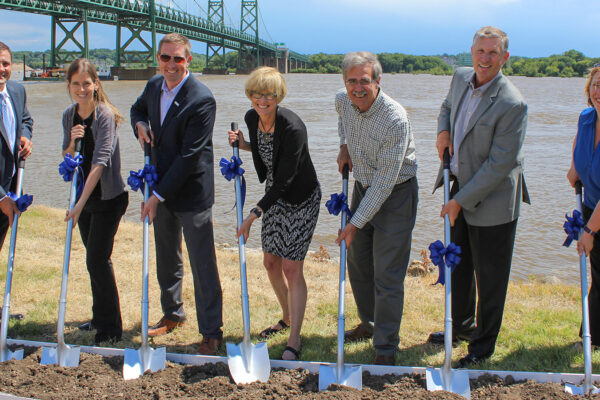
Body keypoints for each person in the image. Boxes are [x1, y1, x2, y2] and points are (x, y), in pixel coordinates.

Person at [428, 26, 529, 367]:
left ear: (505, 57)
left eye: (493, 53)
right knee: (459, 265)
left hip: (495, 200)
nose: (485, 59)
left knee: (490, 277)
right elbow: (446, 106)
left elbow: (499, 165)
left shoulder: (513, 103)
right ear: (471, 51)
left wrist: (458, 201)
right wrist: (443, 130)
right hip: (459, 185)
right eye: (480, 51)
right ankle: (461, 326)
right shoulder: (459, 78)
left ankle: (482, 347)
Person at [130, 33, 223, 355]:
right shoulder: (153, 86)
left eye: (178, 59)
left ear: (189, 60)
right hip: (159, 186)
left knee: (202, 265)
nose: (171, 65)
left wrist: (156, 196)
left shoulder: (202, 99)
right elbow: (137, 109)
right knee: (167, 256)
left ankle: (212, 332)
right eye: (165, 58)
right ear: (158, 58)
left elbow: (189, 156)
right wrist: (140, 124)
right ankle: (172, 314)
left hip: (190, 192)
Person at [227, 66, 321, 361]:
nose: (262, 100)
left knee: (292, 268)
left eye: (268, 95)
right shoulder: (251, 118)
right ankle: (287, 317)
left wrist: (254, 213)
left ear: (278, 96)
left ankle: (294, 339)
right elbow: (264, 149)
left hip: (301, 196)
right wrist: (240, 144)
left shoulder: (293, 127)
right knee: (270, 263)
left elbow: (286, 179)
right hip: (274, 194)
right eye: (256, 94)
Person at [335, 51, 418, 366]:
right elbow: (343, 121)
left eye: (364, 81)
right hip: (363, 185)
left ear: (378, 81)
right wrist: (344, 146)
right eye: (351, 81)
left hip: (396, 193)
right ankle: (368, 322)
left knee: (387, 272)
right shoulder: (343, 101)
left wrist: (353, 224)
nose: (357, 88)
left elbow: (385, 183)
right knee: (358, 262)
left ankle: (385, 346)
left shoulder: (395, 118)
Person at [62, 58, 128, 344]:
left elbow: (100, 162)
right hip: (85, 198)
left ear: (95, 84)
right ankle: (100, 316)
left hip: (108, 198)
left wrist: (78, 205)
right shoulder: (69, 115)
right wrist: (71, 142)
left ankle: (111, 328)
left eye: (86, 83)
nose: (81, 89)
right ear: (69, 86)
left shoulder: (106, 115)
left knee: (97, 259)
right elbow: (68, 160)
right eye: (75, 84)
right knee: (95, 262)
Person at [567, 64, 600, 350]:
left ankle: (592, 340)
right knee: (598, 272)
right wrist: (574, 167)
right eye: (597, 84)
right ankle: (590, 337)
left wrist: (589, 230)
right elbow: (580, 142)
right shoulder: (587, 117)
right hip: (591, 203)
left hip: (598, 212)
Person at [0, 41, 33, 249]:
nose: (2, 69)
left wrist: (25, 136)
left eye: (5, 63)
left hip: (10, 187)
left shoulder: (17, 91)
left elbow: (26, 119)